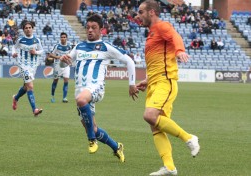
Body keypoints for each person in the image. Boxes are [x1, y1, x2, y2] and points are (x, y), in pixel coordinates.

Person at [60, 14, 138, 162]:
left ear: (101, 30)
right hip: (80, 91)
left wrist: (131, 83)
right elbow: (64, 65)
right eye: (88, 27)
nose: (90, 30)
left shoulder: (105, 47)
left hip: (96, 88)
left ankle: (91, 140)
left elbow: (129, 61)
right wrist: (63, 61)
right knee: (93, 128)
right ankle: (117, 147)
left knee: (82, 101)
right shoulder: (79, 46)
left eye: (93, 27)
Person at [136, 1, 200, 175]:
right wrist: (147, 80)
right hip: (154, 83)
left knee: (149, 116)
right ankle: (170, 167)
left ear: (151, 12)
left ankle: (189, 138)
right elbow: (157, 62)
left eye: (141, 12)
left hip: (165, 81)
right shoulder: (151, 34)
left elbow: (174, 36)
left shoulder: (162, 26)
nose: (138, 15)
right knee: (155, 125)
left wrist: (179, 50)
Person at [11, 21, 44, 117]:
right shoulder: (20, 40)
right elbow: (14, 47)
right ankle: (35, 109)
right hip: (23, 65)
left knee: (26, 87)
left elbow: (42, 51)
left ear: (32, 29)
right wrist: (13, 53)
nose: (28, 29)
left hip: (33, 66)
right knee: (30, 86)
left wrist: (36, 52)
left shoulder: (36, 40)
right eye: (26, 28)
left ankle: (16, 98)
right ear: (23, 30)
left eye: (30, 27)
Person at [48, 32, 71, 103]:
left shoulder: (69, 47)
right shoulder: (57, 46)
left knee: (66, 81)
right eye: (62, 37)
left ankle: (64, 98)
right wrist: (58, 57)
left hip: (66, 66)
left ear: (66, 38)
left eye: (64, 37)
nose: (63, 38)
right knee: (55, 80)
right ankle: (52, 96)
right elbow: (50, 54)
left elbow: (70, 56)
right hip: (57, 65)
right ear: (60, 38)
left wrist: (69, 61)